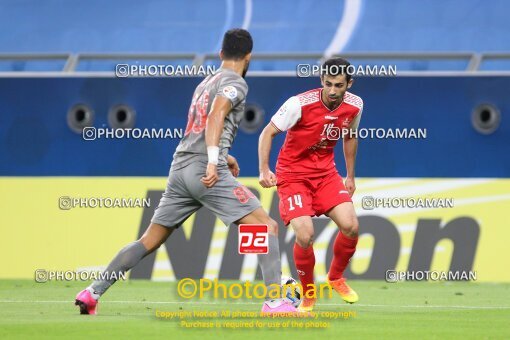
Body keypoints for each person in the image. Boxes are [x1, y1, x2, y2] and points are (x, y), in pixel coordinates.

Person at [75, 28, 296, 315]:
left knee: (149, 240)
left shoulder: (205, 82)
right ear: (249, 56)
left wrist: (223, 156)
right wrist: (214, 160)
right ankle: (274, 301)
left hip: (180, 169)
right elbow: (216, 115)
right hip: (205, 171)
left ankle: (92, 292)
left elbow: (200, 127)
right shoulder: (236, 83)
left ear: (220, 54)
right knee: (267, 226)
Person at [258, 57, 363, 312]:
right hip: (293, 175)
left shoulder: (355, 105)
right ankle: (308, 295)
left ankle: (336, 277)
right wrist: (264, 169)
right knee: (305, 234)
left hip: (326, 173)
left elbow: (350, 137)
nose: (333, 91)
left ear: (349, 83)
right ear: (321, 81)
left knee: (351, 226)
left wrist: (350, 176)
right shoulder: (299, 104)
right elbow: (267, 132)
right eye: (328, 84)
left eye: (339, 85)